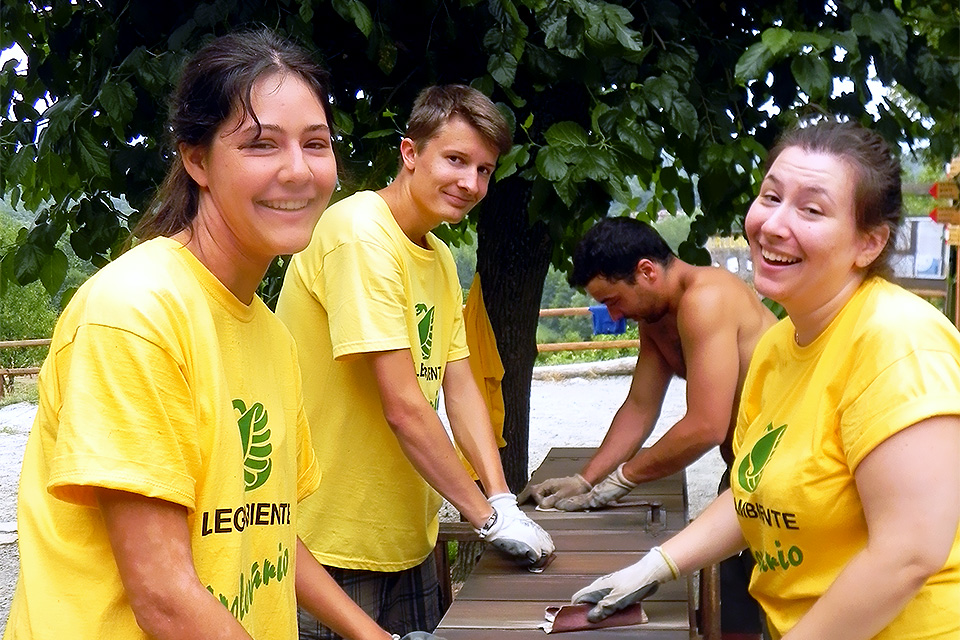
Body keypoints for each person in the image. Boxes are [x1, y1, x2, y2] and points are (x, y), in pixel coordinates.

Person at [2, 30, 442, 640]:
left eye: (315, 144)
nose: (297, 170)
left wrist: (373, 636)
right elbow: (164, 597)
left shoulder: (268, 333)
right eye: (261, 144)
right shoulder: (136, 314)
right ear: (197, 159)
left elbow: (268, 529)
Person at [568, 120, 960, 640]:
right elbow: (751, 489)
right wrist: (658, 564)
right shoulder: (778, 345)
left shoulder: (898, 340)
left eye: (812, 209)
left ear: (868, 244)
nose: (774, 224)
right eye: (770, 196)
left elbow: (909, 553)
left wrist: (620, 479)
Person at [275, 84, 554, 639]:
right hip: (329, 539)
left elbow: (461, 386)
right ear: (409, 152)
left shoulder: (440, 256)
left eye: (484, 169)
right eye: (455, 159)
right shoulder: (360, 235)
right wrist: (487, 520)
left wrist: (500, 497)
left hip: (407, 535)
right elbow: (403, 405)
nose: (470, 183)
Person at [521, 217, 776, 638]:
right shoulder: (657, 318)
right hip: (743, 477)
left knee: (789, 613)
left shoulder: (707, 299)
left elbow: (705, 426)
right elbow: (640, 407)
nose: (614, 314)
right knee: (732, 617)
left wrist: (623, 479)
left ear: (646, 271)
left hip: (785, 474)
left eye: (614, 300)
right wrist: (586, 479)